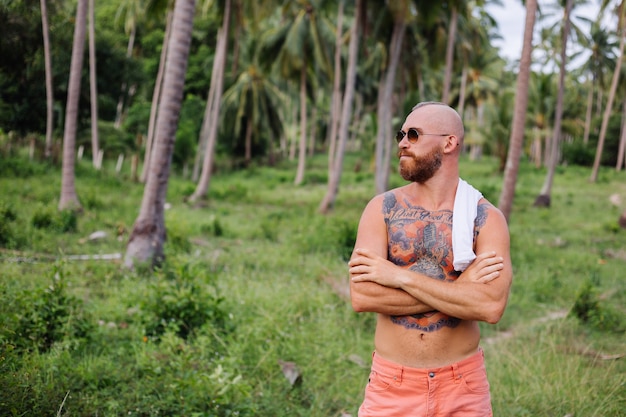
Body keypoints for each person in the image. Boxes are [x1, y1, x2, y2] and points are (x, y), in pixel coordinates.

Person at [348, 102, 512, 416]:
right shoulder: (382, 209)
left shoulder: (486, 218)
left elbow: (489, 307)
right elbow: (363, 295)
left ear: (449, 142)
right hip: (392, 385)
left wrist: (399, 277)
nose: (402, 143)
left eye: (413, 134)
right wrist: (461, 290)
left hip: (462, 386)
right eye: (401, 135)